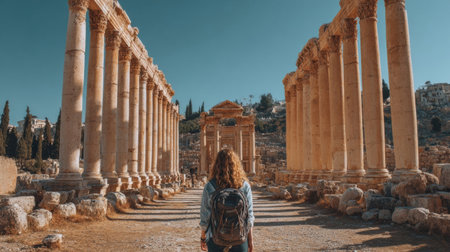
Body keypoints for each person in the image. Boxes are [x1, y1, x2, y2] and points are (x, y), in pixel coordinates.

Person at [199, 149, 255, 252]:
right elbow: (249, 216)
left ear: (216, 165)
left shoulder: (210, 186)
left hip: (215, 237)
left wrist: (203, 237)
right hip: (240, 237)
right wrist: (250, 240)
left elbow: (205, 216)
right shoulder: (245, 186)